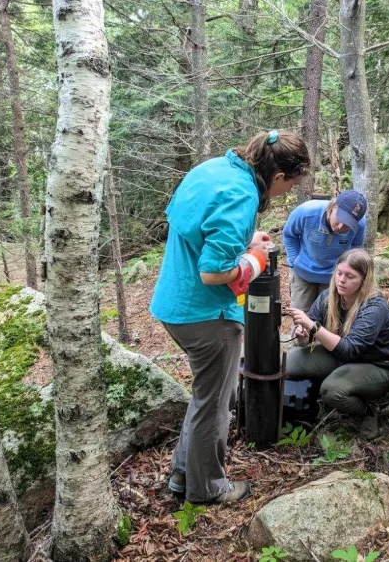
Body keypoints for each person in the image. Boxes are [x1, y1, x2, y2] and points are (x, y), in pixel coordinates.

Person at [150, 130, 310, 504]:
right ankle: (207, 488)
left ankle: (182, 473)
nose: (286, 193)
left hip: (174, 303)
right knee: (216, 404)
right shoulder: (241, 195)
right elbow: (214, 271)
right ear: (278, 177)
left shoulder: (215, 169)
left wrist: (244, 239)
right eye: (290, 185)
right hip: (206, 315)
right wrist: (255, 258)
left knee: (205, 395)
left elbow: (199, 230)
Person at [285, 248, 389, 440]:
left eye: (350, 276)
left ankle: (367, 411)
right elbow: (308, 338)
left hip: (377, 366)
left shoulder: (374, 307)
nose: (341, 280)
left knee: (332, 391)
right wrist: (303, 334)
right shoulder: (329, 297)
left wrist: (313, 327)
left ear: (364, 280)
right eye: (339, 273)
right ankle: (323, 392)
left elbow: (349, 350)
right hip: (339, 357)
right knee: (290, 362)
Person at [283, 190, 368, 312]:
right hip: (303, 271)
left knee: (328, 315)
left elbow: (355, 248)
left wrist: (343, 272)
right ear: (333, 207)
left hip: (333, 276)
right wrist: (293, 260)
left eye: (347, 225)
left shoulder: (359, 225)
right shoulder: (306, 212)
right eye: (339, 219)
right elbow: (289, 235)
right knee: (300, 315)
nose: (340, 227)